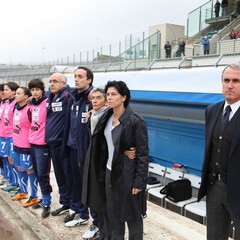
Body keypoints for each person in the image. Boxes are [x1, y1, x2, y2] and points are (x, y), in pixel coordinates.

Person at [83, 80, 149, 239]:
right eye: (108, 94)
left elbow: (143, 154)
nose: (109, 97)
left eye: (114, 94)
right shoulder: (106, 115)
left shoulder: (135, 120)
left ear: (124, 97)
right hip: (108, 172)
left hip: (127, 175)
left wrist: (139, 182)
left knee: (132, 215)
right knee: (112, 214)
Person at [198, 63, 240, 239]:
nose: (230, 85)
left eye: (236, 81)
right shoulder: (212, 111)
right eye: (226, 80)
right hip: (215, 187)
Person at [62, 66, 98, 228]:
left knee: (90, 187)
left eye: (80, 76)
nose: (76, 79)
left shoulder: (93, 99)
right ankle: (81, 213)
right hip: (72, 148)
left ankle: (97, 222)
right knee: (76, 184)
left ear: (89, 80)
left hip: (87, 151)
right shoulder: (73, 98)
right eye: (75, 76)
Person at [45, 73, 71, 217]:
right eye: (50, 81)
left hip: (63, 144)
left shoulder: (68, 95)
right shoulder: (50, 96)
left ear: (63, 83)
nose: (52, 83)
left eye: (55, 81)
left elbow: (81, 95)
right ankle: (65, 202)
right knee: (60, 176)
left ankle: (74, 205)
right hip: (52, 143)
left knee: (68, 176)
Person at [28, 78, 52, 218]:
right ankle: (43, 197)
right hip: (32, 141)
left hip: (43, 144)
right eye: (33, 90)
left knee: (43, 173)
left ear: (42, 90)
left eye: (37, 89)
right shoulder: (31, 103)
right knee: (37, 172)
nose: (35, 92)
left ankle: (47, 202)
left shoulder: (47, 101)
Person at [11, 87, 38, 208]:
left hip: (26, 146)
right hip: (16, 144)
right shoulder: (15, 108)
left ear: (26, 96)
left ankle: (34, 195)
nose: (15, 95)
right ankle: (23, 192)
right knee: (19, 167)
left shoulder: (30, 110)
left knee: (29, 169)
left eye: (18, 93)